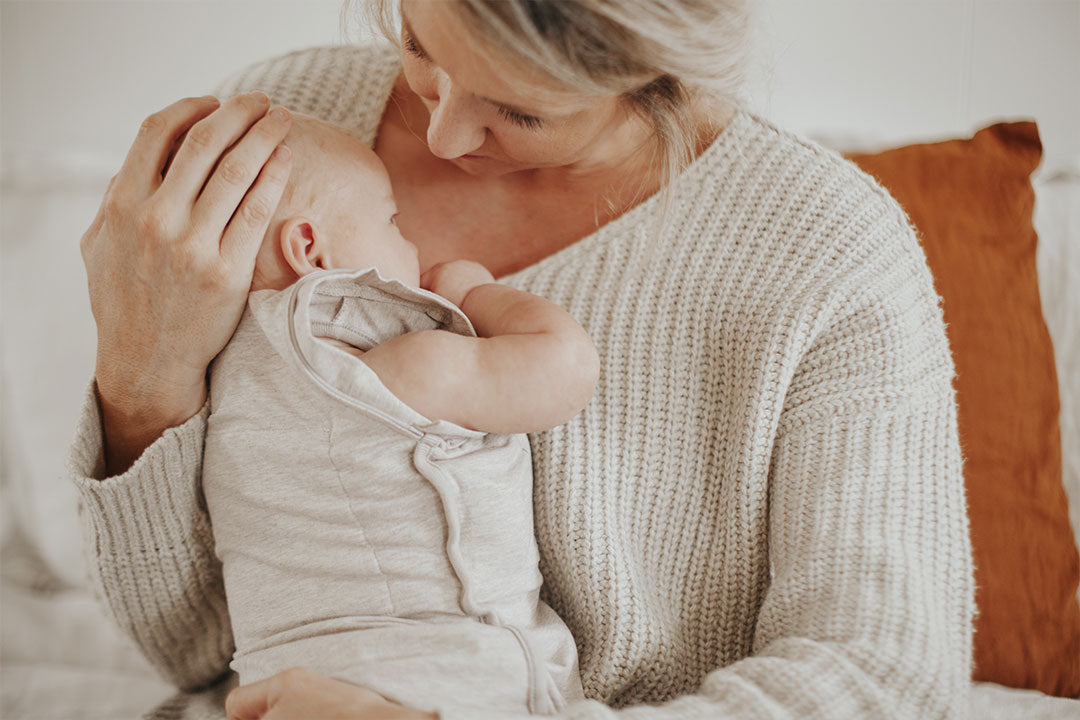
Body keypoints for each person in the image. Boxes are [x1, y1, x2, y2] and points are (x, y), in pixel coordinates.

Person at [72, 1, 976, 719]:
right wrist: (143, 374)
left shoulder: (829, 254)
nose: (444, 138)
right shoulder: (278, 145)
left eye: (519, 109)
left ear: (659, 74)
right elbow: (195, 650)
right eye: (420, 44)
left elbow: (882, 678)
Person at [202, 112, 591, 716]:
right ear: (309, 249)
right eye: (392, 221)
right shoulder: (381, 366)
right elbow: (563, 369)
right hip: (436, 675)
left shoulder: (228, 372)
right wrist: (472, 291)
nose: (412, 245)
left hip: (278, 685)